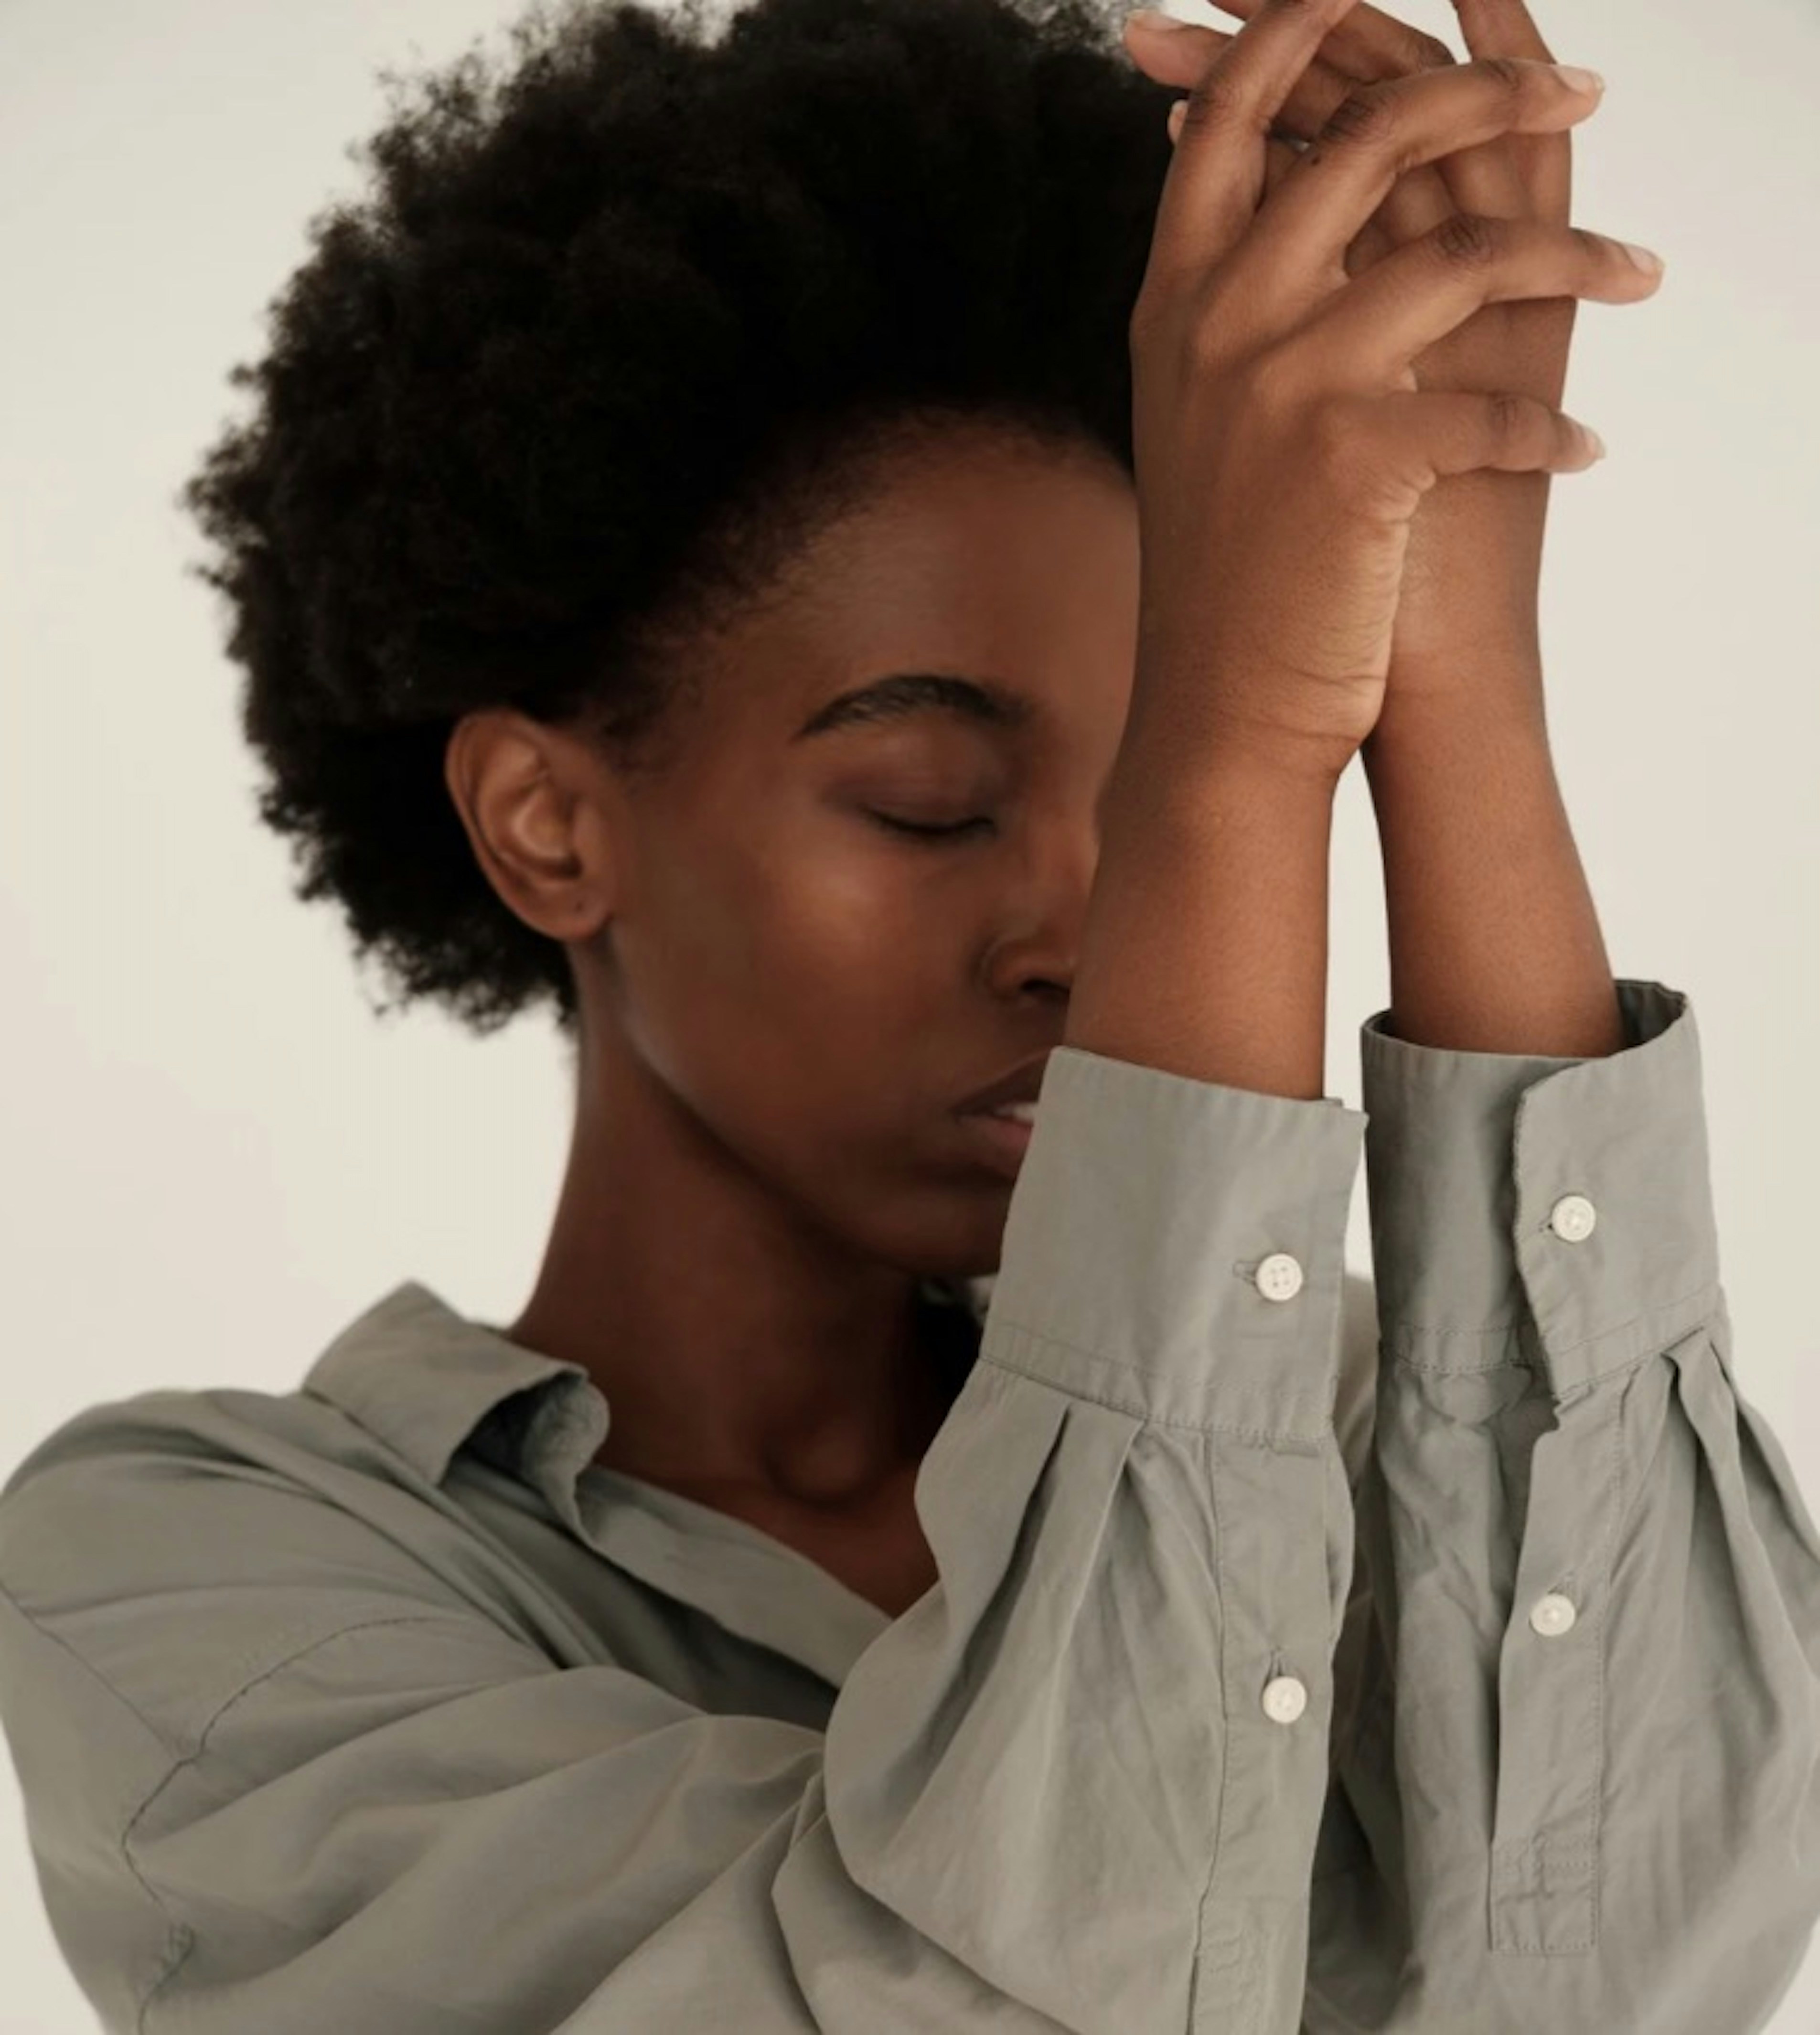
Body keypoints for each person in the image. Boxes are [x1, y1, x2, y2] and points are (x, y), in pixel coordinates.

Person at [1, 0, 1816, 2027]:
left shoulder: (1369, 1429)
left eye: (1141, 809)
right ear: (544, 821)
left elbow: (1657, 1948)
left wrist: (1452, 660)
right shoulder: (191, 1566)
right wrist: (1219, 764)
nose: (1080, 928)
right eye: (928, 802)